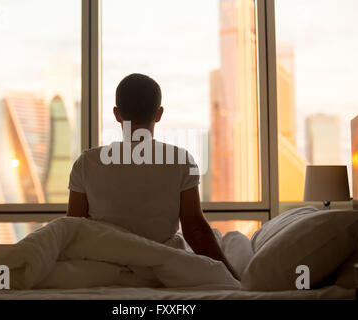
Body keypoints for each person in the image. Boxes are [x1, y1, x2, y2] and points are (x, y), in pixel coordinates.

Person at [67, 73, 236, 277]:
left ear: (116, 114)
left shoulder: (86, 163)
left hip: (105, 268)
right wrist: (233, 277)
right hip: (163, 270)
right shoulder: (182, 160)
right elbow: (195, 230)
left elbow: (74, 228)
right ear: (159, 113)